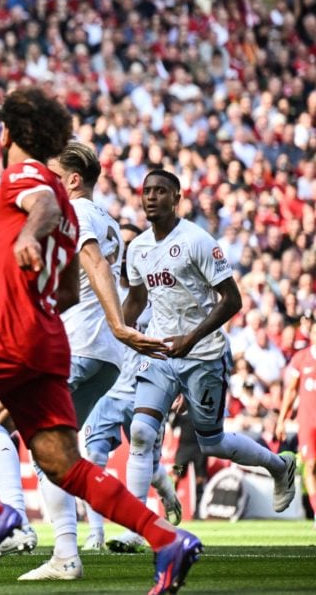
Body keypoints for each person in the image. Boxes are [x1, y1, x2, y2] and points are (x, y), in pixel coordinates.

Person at [0, 87, 201, 594]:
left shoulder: (27, 178)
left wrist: (28, 236)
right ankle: (165, 539)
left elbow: (39, 209)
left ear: (9, 133)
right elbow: (61, 288)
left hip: (9, 335)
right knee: (63, 463)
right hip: (48, 339)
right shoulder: (65, 198)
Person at [0, 142, 169, 581]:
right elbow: (133, 287)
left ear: (73, 180)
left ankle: (14, 525)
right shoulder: (111, 221)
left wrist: (115, 324)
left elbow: (92, 263)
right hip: (103, 356)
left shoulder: (83, 215)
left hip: (78, 346)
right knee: (53, 453)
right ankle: (108, 541)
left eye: (54, 174)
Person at [116, 169, 297, 551]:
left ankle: (280, 466)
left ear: (176, 197)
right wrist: (117, 327)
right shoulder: (138, 249)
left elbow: (232, 300)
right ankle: (133, 527)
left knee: (211, 443)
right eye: (146, 190)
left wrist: (191, 337)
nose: (151, 197)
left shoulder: (197, 240)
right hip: (162, 352)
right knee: (142, 432)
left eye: (160, 191)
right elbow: (136, 299)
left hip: (204, 354)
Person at [79, 223, 181, 553]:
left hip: (142, 388)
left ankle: (164, 490)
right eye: (118, 246)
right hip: (105, 391)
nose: (120, 254)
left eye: (128, 246)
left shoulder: (155, 296)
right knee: (92, 458)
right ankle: (95, 533)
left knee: (148, 466)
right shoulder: (97, 288)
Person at [276, 339, 316, 526]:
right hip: (307, 422)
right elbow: (291, 391)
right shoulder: (302, 358)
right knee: (311, 465)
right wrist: (281, 419)